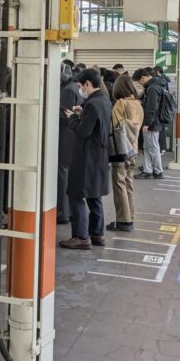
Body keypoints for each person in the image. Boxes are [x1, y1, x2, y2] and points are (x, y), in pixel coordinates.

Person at [59, 68, 111, 250]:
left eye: (82, 86)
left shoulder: (93, 104)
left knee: (75, 195)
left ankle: (81, 236)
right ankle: (97, 234)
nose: (81, 89)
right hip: (100, 157)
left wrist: (73, 117)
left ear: (89, 83)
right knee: (94, 196)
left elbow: (83, 131)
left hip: (86, 158)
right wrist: (82, 114)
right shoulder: (104, 100)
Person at [108, 74, 144, 232]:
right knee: (128, 183)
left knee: (119, 183)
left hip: (121, 149)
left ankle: (123, 220)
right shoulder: (138, 104)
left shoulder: (120, 104)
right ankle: (130, 217)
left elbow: (114, 126)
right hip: (133, 149)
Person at [57, 61, 80, 224]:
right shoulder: (73, 88)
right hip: (71, 136)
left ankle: (62, 211)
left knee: (62, 172)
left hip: (65, 135)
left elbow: (64, 115)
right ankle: (68, 210)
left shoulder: (67, 91)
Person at [138, 67, 166, 178]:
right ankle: (148, 170)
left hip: (152, 123)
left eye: (139, 81)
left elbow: (152, 108)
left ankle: (158, 171)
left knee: (153, 147)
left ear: (143, 78)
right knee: (148, 147)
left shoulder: (153, 88)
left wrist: (147, 123)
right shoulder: (155, 85)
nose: (140, 83)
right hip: (154, 121)